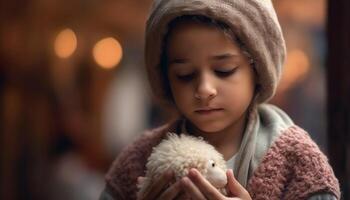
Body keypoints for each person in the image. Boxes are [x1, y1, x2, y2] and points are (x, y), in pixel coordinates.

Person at [100, 0, 340, 199]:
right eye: (185, 75)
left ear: (257, 69)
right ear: (165, 78)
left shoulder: (297, 160)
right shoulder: (138, 161)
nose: (205, 89)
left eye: (224, 70)